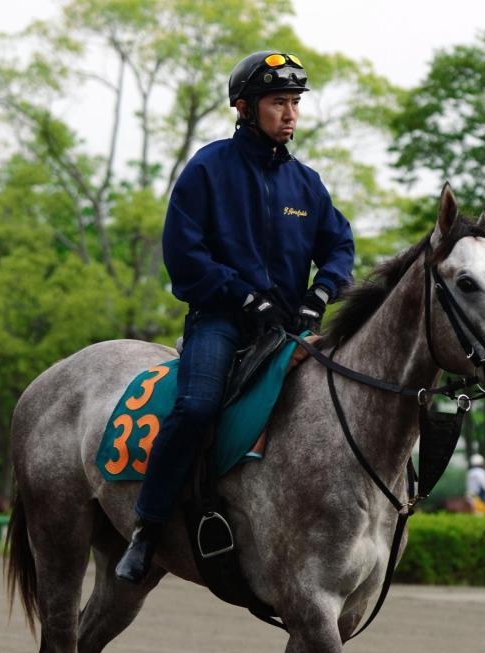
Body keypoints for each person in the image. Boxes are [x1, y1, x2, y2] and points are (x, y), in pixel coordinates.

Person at [116, 51, 355, 582]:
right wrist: (245, 297)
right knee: (197, 408)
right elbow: (184, 254)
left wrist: (322, 293)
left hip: (293, 327)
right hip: (220, 322)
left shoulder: (307, 184)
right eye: (278, 103)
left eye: (294, 103)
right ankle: (148, 528)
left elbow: (340, 246)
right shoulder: (207, 167)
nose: (290, 114)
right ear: (245, 108)